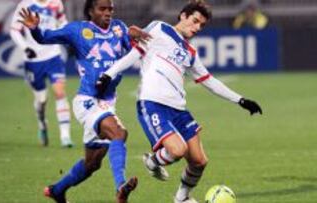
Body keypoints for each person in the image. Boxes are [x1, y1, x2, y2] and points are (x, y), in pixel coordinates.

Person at [96, 1, 262, 203]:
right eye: (195, 21)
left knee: (199, 161)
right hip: (153, 103)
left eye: (201, 25)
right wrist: (107, 75)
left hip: (179, 109)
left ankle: (181, 198)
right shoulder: (159, 28)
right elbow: (134, 53)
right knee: (177, 150)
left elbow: (209, 80)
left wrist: (241, 100)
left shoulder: (190, 52)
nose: (197, 28)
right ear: (183, 16)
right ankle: (152, 161)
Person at [18, 0, 150, 202]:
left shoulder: (118, 28)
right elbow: (45, 37)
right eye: (102, 9)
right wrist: (35, 28)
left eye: (110, 9)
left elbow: (134, 53)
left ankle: (57, 190)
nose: (108, 13)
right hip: (87, 100)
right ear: (90, 11)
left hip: (107, 102)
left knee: (92, 163)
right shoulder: (77, 30)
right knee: (119, 133)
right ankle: (120, 187)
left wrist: (135, 38)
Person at [10, 0, 74, 147]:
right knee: (42, 100)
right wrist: (25, 47)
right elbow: (14, 30)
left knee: (59, 92)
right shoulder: (25, 4)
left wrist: (69, 40)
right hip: (33, 60)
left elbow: (62, 23)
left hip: (53, 56)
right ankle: (42, 123)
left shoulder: (56, 3)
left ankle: (65, 136)